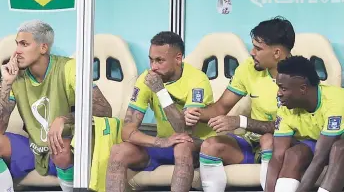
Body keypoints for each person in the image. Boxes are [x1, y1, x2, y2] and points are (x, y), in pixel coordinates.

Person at [184, 16, 296, 191]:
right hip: (253, 142)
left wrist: (240, 121)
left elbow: (288, 127)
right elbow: (220, 108)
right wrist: (195, 113)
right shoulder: (248, 68)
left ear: (276, 53)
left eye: (258, 48)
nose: (252, 52)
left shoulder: (300, 77)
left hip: (287, 144)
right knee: (210, 146)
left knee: (269, 140)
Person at [0, 20, 112, 192]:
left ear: (43, 48)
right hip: (34, 147)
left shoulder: (69, 68)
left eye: (24, 44)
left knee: (61, 147)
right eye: (17, 44)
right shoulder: (17, 76)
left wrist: (64, 119)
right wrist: (7, 84)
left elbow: (105, 109)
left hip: (66, 146)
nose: (17, 51)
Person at [105, 31, 216, 192]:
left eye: (160, 61)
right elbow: (128, 131)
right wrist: (160, 142)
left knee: (182, 145)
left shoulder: (197, 80)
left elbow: (184, 130)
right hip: (165, 144)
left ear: (178, 59)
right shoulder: (147, 79)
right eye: (151, 60)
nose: (153, 67)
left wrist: (160, 91)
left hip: (197, 145)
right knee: (118, 151)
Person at [266, 56, 344, 192]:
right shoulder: (285, 106)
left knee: (339, 148)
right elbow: (277, 156)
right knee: (295, 153)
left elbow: (320, 158)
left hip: (336, 148)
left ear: (303, 88)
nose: (279, 93)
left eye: (283, 89)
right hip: (322, 145)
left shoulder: (335, 101)